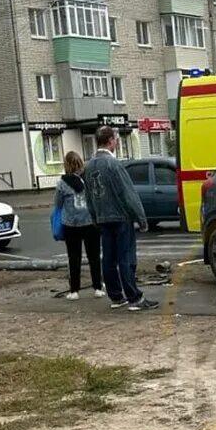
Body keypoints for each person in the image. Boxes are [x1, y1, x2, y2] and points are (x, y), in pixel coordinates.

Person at [83, 126, 159, 311]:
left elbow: (88, 196)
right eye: (115, 139)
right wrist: (141, 218)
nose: (116, 142)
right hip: (120, 216)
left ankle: (116, 296)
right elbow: (128, 193)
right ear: (110, 141)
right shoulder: (113, 164)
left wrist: (95, 217)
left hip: (102, 217)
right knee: (126, 257)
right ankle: (134, 298)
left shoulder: (90, 165)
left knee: (108, 258)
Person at [55, 151, 103, 301]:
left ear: (67, 165)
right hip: (90, 223)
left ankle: (74, 290)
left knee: (74, 257)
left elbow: (58, 204)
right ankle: (98, 287)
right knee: (94, 256)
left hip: (71, 224)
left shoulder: (62, 183)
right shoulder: (88, 179)